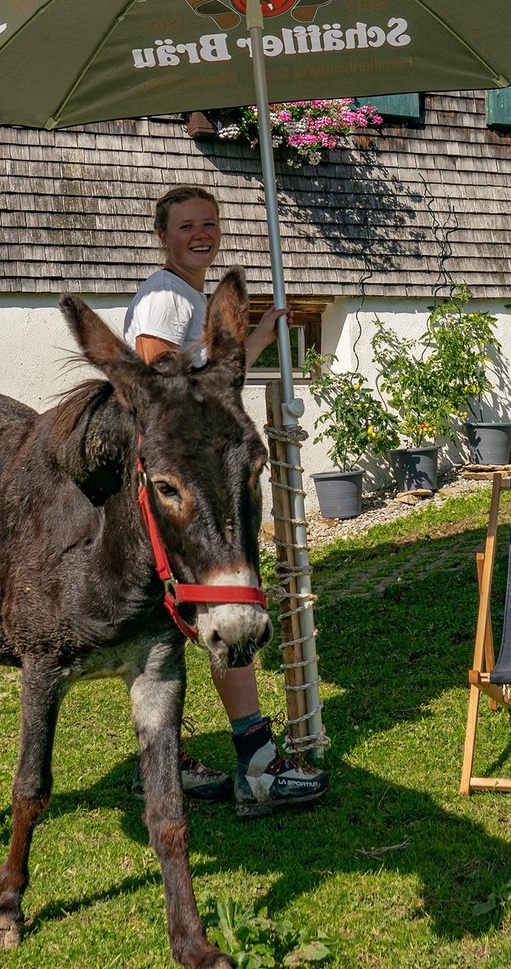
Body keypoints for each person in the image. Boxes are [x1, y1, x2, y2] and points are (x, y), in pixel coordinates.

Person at [122, 185, 330, 818]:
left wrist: (257, 338)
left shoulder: (191, 296)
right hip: (185, 480)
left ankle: (166, 760)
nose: (201, 234)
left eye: (210, 224)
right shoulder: (164, 294)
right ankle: (259, 764)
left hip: (191, 475)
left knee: (182, 619)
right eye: (187, 225)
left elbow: (211, 374)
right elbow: (161, 377)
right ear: (163, 234)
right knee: (227, 597)